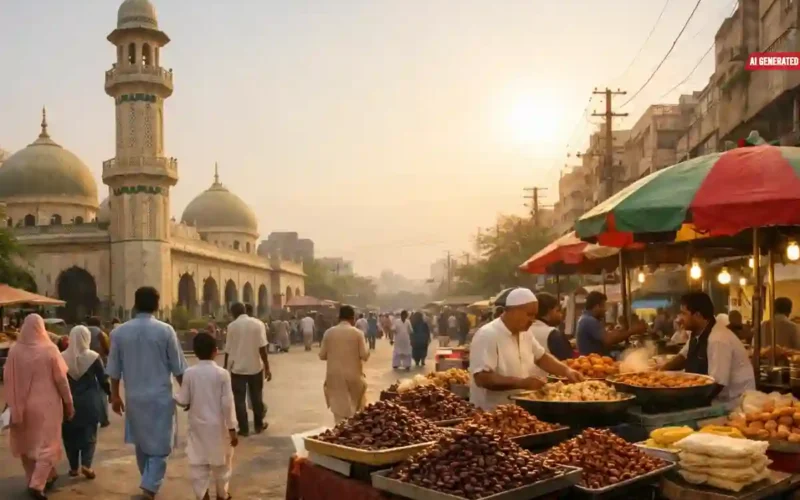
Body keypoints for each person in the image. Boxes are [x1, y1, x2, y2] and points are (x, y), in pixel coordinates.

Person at [106, 287, 188, 499]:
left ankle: (148, 481)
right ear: (157, 305)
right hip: (160, 397)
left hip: (134, 397)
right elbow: (178, 367)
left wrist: (115, 395)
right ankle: (149, 486)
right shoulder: (165, 330)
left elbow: (114, 368)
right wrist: (188, 393)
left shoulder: (119, 332)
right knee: (161, 446)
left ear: (135, 304)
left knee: (142, 443)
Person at [470, 288, 583, 411]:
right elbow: (482, 378)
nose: (532, 320)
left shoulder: (525, 332)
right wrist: (522, 383)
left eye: (534, 315)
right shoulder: (488, 335)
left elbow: (541, 357)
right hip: (490, 413)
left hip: (518, 411)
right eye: (529, 314)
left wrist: (567, 371)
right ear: (513, 311)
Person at [4, 314, 74, 499]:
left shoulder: (14, 351)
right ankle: (37, 484)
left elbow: (8, 380)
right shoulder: (50, 349)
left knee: (27, 445)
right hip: (47, 406)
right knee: (48, 446)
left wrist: (9, 404)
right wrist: (69, 403)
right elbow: (61, 380)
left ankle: (35, 479)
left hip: (20, 405)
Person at [660, 291, 755, 403]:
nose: (679, 319)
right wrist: (659, 372)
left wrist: (690, 403)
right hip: (715, 399)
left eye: (683, 314)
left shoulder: (718, 339)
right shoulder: (697, 334)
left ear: (698, 315)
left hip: (733, 403)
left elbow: (717, 383)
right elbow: (682, 357)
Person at [176, 333, 238, 500]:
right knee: (222, 466)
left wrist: (172, 395)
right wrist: (232, 429)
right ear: (215, 351)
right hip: (219, 427)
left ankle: (202, 496)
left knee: (198, 465)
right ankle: (222, 494)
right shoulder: (223, 374)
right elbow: (227, 404)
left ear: (195, 352)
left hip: (197, 427)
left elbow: (183, 400)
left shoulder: (189, 373)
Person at [61, 325, 110, 481]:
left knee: (69, 435)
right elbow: (103, 380)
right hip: (89, 401)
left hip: (67, 401)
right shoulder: (94, 357)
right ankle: (87, 465)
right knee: (89, 434)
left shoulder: (61, 357)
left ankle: (74, 468)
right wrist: (111, 394)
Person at [224, 302, 271, 436]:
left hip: (237, 369)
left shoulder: (232, 326)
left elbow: (228, 349)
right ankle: (258, 425)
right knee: (256, 397)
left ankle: (244, 429)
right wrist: (267, 367)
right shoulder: (258, 324)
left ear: (233, 313)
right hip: (255, 367)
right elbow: (263, 348)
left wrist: (225, 367)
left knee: (239, 400)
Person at [319, 306, 370, 423]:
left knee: (339, 412)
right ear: (352, 318)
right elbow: (364, 355)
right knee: (355, 411)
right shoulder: (358, 333)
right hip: (354, 377)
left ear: (339, 318)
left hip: (334, 376)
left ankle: (339, 434)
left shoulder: (328, 332)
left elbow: (322, 355)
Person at [576, 292, 645, 356]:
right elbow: (609, 340)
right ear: (597, 307)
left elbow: (606, 336)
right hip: (594, 363)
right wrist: (632, 331)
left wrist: (620, 330)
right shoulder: (589, 320)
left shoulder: (586, 319)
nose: (605, 310)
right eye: (603, 306)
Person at [529, 292, 573, 364]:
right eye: (557, 310)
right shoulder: (553, 334)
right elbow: (569, 362)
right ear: (549, 312)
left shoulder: (524, 330)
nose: (560, 315)